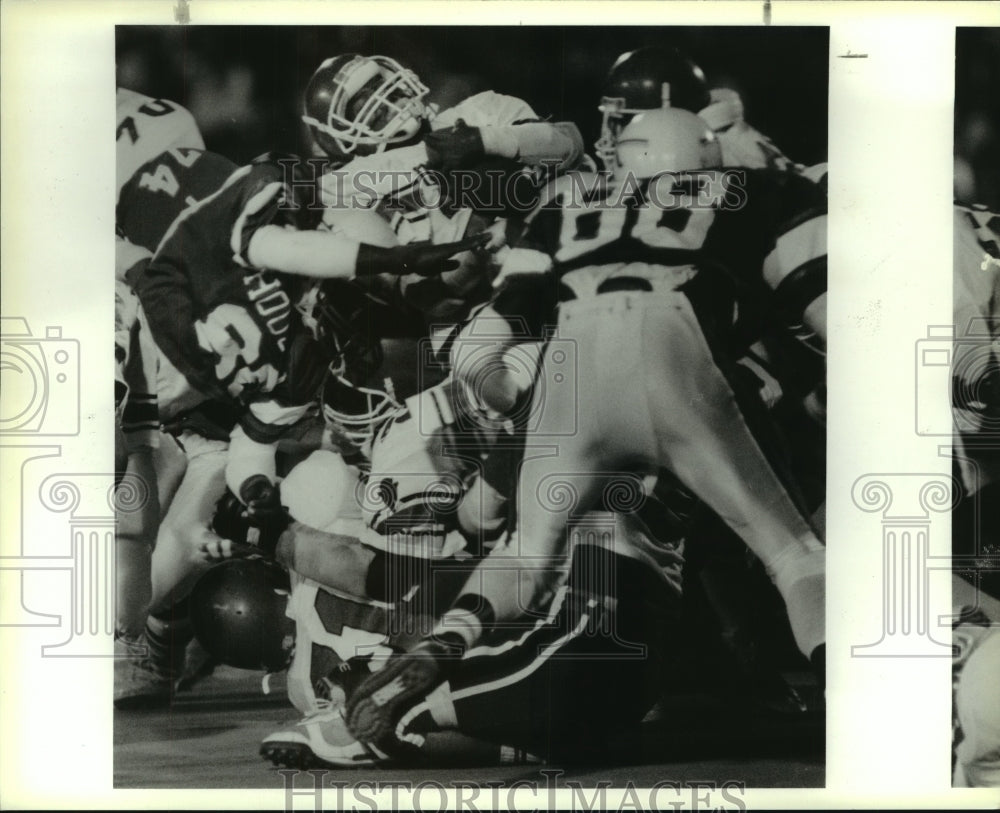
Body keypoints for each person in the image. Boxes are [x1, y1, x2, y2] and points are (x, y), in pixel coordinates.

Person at [343, 107, 827, 756]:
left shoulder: (563, 211)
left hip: (572, 364)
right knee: (794, 554)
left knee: (521, 553)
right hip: (676, 345)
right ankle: (848, 688)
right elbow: (819, 289)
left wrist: (510, 399)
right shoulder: (743, 189)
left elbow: (480, 344)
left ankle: (447, 638)